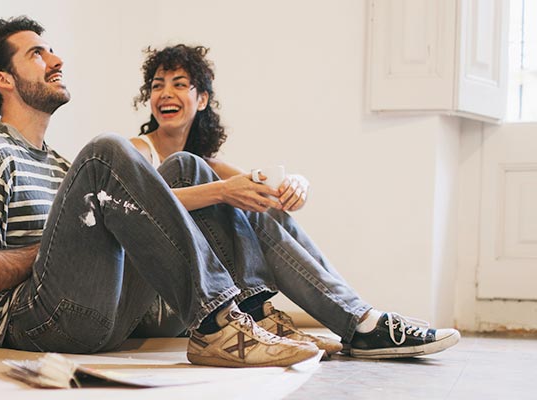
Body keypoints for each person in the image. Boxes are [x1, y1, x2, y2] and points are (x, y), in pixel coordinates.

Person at [0, 16, 320, 368]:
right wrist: (54, 249)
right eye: (37, 54)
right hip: (32, 323)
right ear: (3, 79)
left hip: (102, 314)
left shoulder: (58, 164)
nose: (56, 60)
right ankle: (218, 325)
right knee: (106, 151)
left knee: (185, 167)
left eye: (51, 50)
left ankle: (246, 312)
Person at [126, 44, 461, 359]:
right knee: (196, 174)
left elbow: (264, 199)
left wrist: (297, 185)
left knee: (245, 200)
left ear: (201, 100)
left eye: (179, 84)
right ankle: (357, 323)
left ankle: (357, 318)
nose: (166, 93)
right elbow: (138, 206)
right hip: (158, 299)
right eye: (158, 86)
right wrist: (223, 192)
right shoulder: (139, 150)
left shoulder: (208, 166)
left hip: (203, 297)